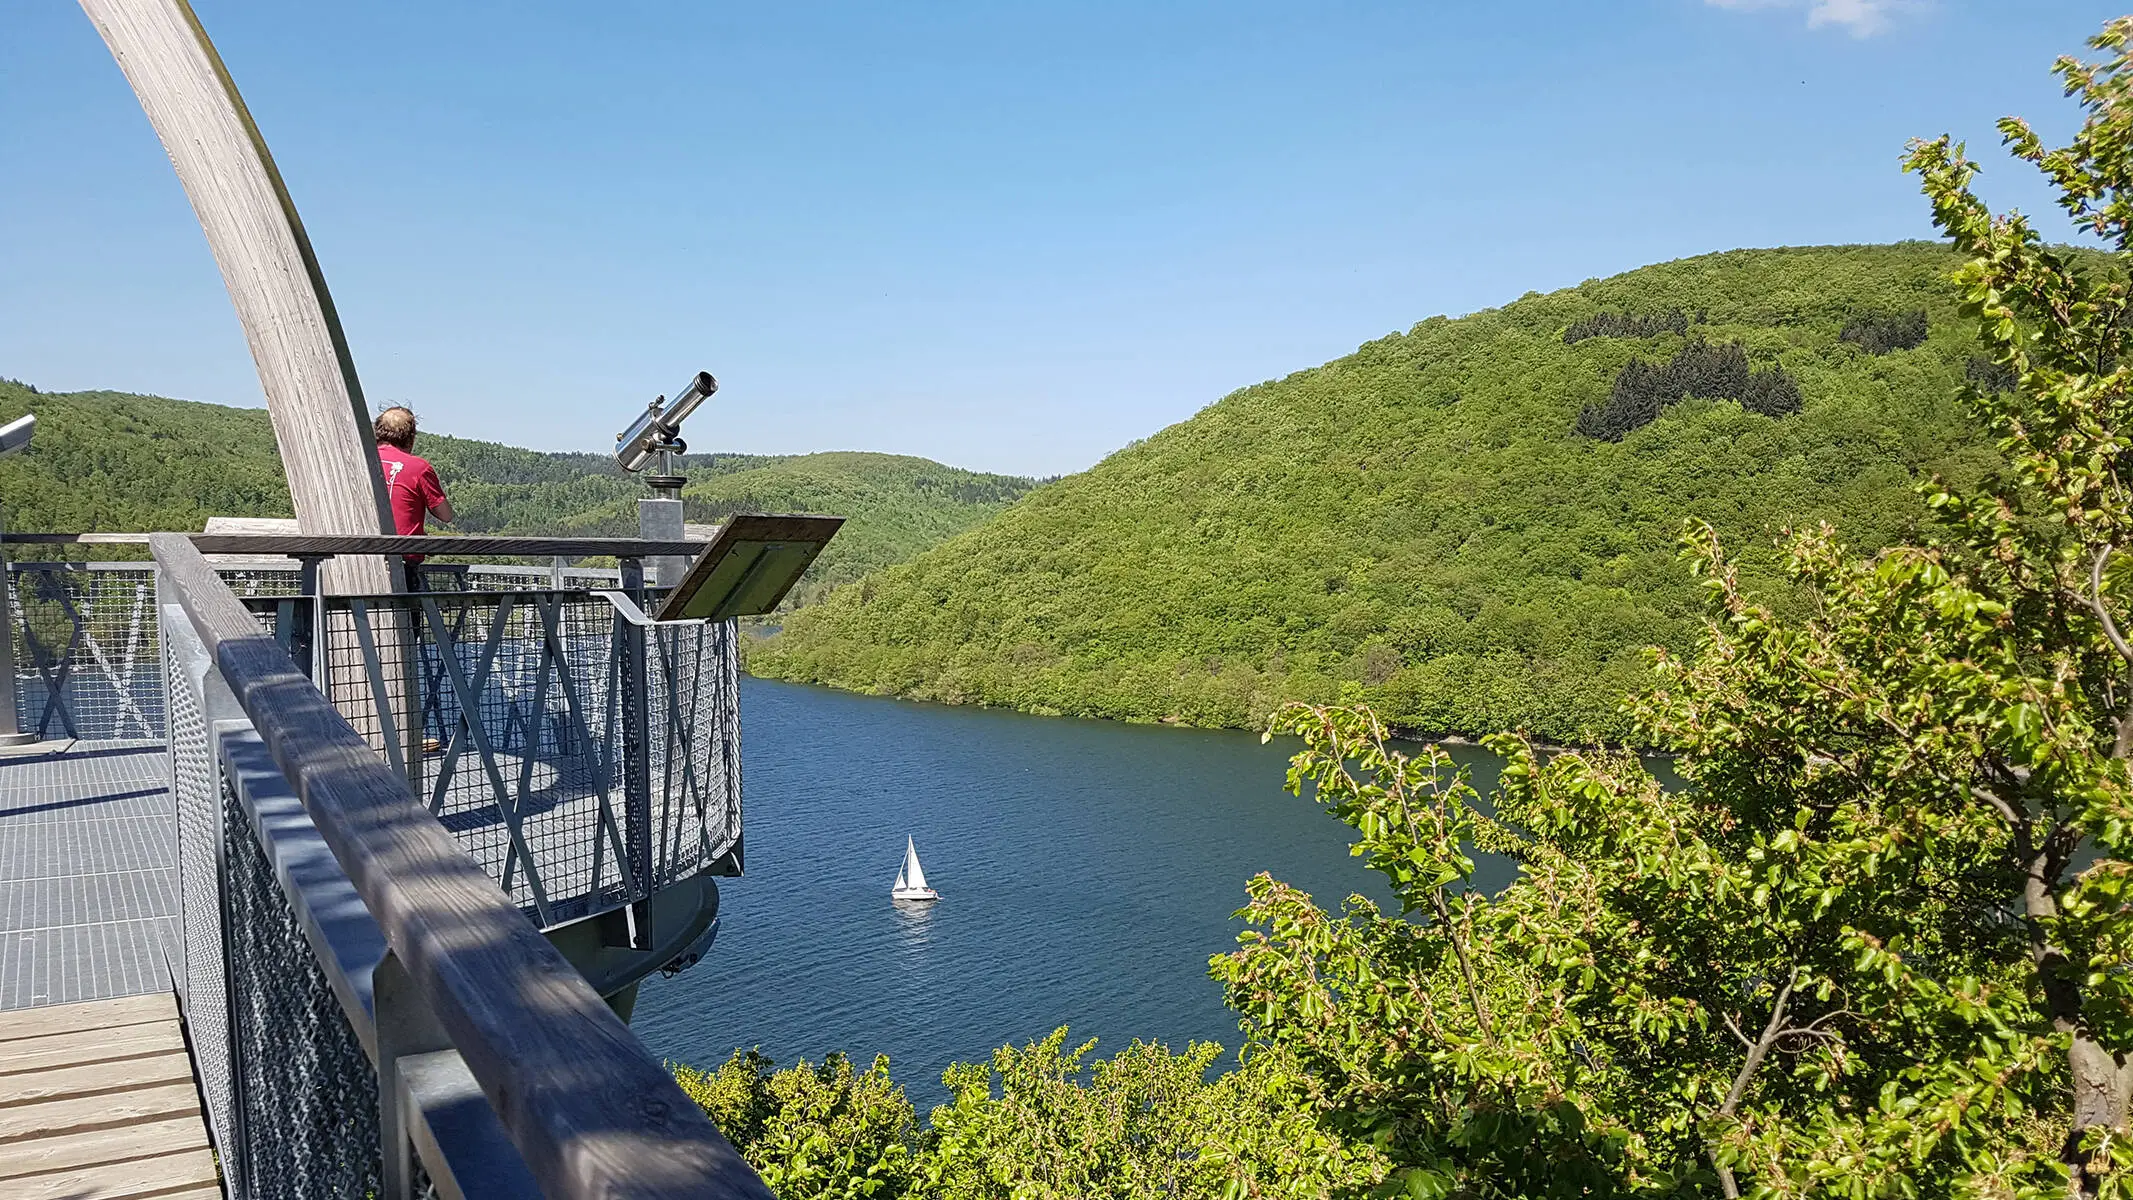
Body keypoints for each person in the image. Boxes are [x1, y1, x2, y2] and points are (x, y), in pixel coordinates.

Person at [373, 406, 453, 589]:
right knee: (407, 616)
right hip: (402, 564)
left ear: (378, 432)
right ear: (410, 437)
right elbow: (445, 515)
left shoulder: (358, 461)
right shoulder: (418, 468)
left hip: (354, 562)